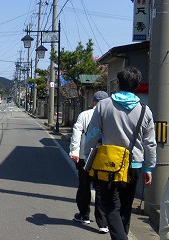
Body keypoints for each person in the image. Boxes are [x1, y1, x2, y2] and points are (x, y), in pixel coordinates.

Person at [85, 66, 157, 240]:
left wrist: (87, 154)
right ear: (137, 85)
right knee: (125, 206)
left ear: (117, 84)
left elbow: (92, 134)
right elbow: (150, 143)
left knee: (109, 205)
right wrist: (149, 168)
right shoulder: (144, 110)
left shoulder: (103, 105)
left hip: (108, 165)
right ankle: (122, 234)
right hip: (134, 165)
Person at [69, 90, 109, 234]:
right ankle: (102, 223)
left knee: (84, 185)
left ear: (93, 102)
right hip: (103, 157)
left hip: (84, 156)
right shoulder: (109, 115)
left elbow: (76, 133)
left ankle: (84, 215)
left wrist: (74, 151)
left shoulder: (84, 115)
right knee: (100, 189)